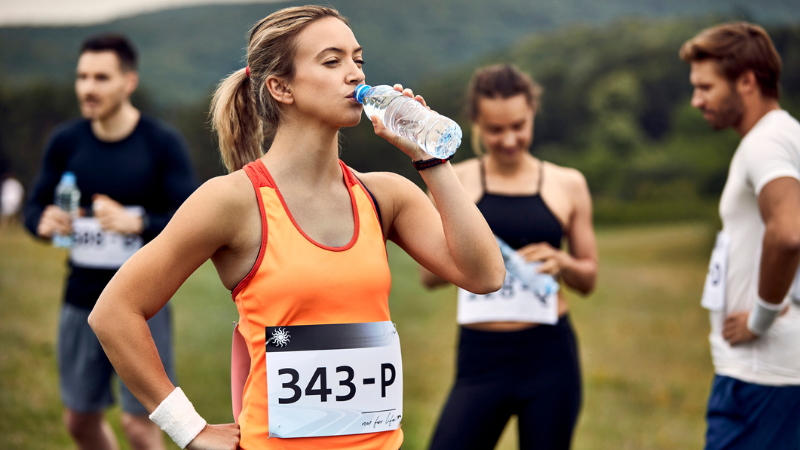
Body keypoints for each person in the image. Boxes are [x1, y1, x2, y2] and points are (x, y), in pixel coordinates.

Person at [87, 6, 504, 450]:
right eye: (332, 61)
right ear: (280, 87)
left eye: (358, 60)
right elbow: (114, 313)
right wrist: (189, 429)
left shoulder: (386, 194)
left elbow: (485, 275)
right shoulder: (232, 200)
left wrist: (431, 158)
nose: (354, 74)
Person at [23, 34, 198, 450]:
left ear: (128, 81)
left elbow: (191, 222)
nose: (88, 87)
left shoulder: (161, 143)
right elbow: (34, 208)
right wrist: (42, 221)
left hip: (144, 304)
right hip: (81, 301)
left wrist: (135, 220)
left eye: (101, 77)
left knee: (141, 427)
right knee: (80, 422)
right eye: (82, 77)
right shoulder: (66, 142)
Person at [420, 64, 597, 450]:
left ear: (532, 112)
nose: (509, 139)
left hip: (550, 356)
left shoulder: (568, 183)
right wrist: (470, 255)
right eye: (496, 129)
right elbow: (427, 276)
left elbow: (589, 279)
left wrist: (563, 263)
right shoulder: (456, 181)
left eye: (518, 125)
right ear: (476, 123)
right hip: (480, 358)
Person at [681, 22, 800, 449]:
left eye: (706, 87)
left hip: (764, 375)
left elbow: (788, 233)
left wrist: (761, 318)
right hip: (763, 374)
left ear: (747, 81)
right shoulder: (781, 136)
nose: (696, 101)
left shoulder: (765, 143)